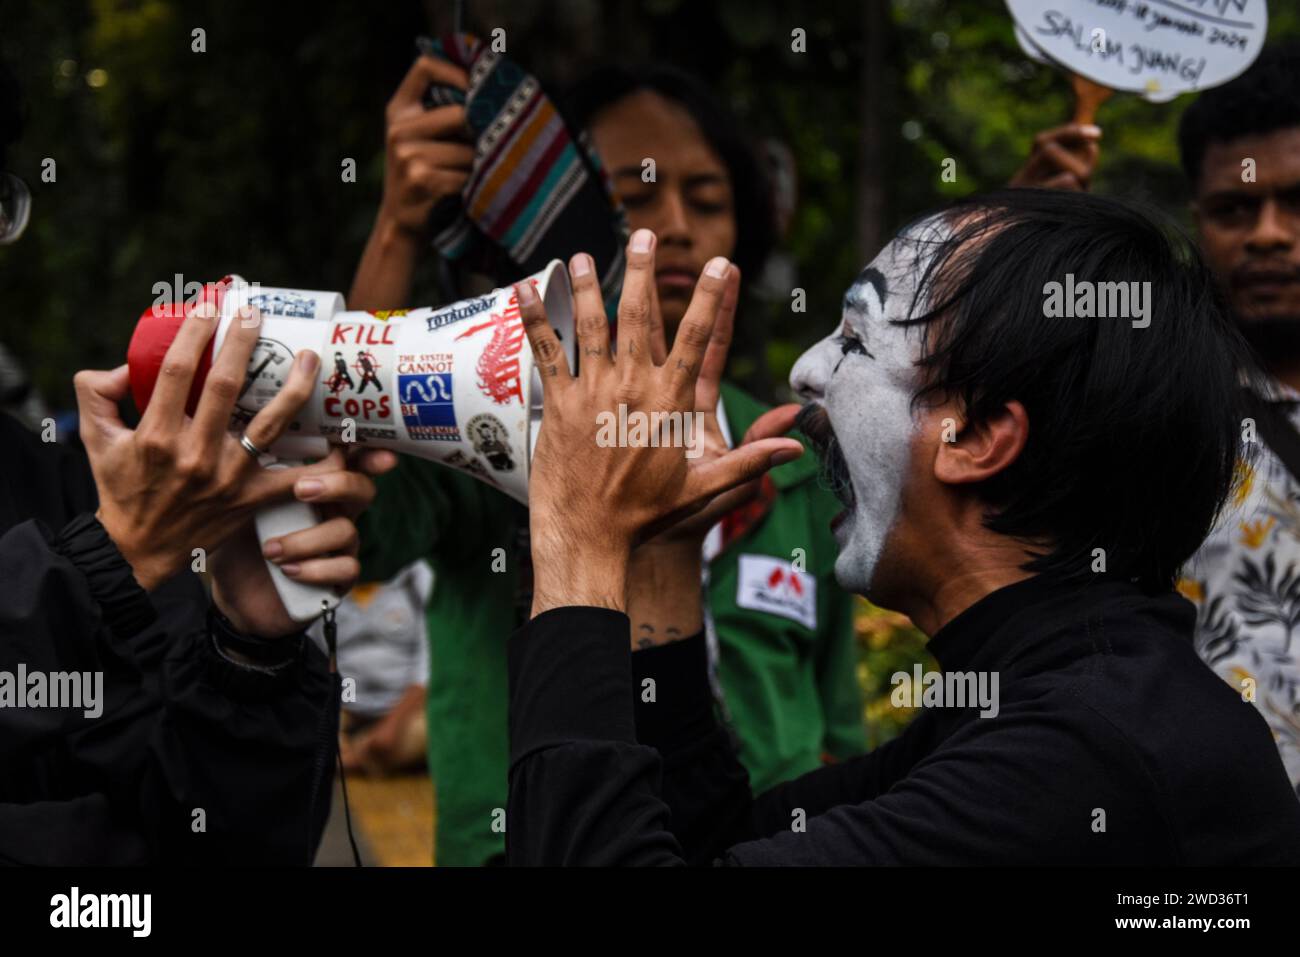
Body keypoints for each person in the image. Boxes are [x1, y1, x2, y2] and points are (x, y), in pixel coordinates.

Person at [503, 198, 1300, 865]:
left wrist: (580, 543)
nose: (807, 369)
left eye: (855, 338)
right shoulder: (1044, 697)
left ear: (979, 434)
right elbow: (705, 839)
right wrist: (662, 559)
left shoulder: (1088, 751)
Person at [351, 56, 864, 865]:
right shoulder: (487, 419)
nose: (678, 227)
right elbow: (355, 525)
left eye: (708, 200)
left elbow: (836, 724)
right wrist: (398, 225)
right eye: (633, 195)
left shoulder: (787, 449)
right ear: (546, 217)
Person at [0, 62, 398, 863]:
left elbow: (212, 840)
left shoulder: (52, 480)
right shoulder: (102, 530)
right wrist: (102, 565)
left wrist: (250, 649)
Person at [1015, 46, 1300, 792]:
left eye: (1297, 202)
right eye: (1236, 207)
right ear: (1198, 216)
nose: (1268, 233)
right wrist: (1022, 248)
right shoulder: (1130, 406)